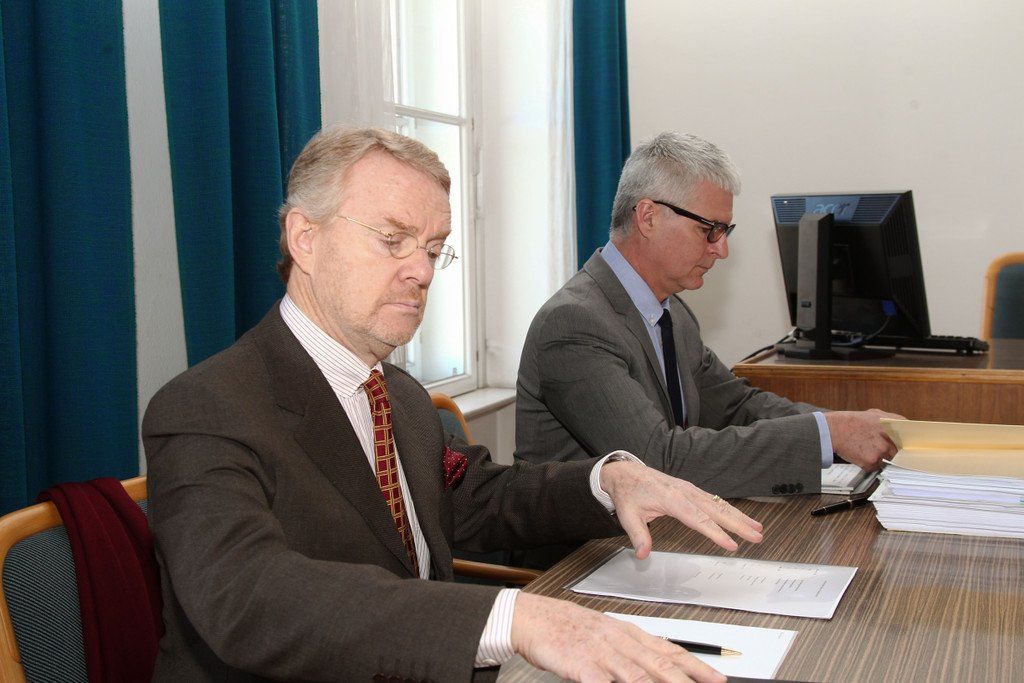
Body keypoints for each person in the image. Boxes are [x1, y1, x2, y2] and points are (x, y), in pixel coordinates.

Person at [142, 125, 764, 683]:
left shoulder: (400, 395)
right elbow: (246, 597)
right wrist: (515, 618)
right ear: (305, 238)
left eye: (434, 248)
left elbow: (474, 498)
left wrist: (609, 482)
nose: (422, 271)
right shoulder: (206, 408)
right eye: (393, 239)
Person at [516, 131, 902, 500]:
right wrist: (829, 434)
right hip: (590, 544)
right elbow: (656, 461)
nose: (722, 250)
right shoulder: (573, 324)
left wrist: (846, 427)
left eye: (725, 231)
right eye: (709, 230)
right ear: (648, 217)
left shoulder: (673, 314)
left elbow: (736, 406)